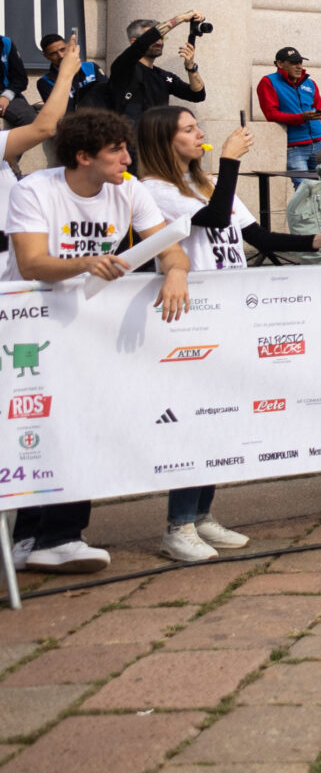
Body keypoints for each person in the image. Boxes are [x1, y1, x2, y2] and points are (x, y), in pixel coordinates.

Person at [133, 108, 321, 558]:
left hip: (233, 310)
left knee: (219, 417)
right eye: (189, 129)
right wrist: (229, 161)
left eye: (198, 127)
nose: (200, 133)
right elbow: (212, 218)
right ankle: (178, 525)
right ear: (164, 139)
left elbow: (258, 237)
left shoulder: (206, 182)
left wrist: (317, 241)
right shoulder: (154, 189)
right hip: (194, 314)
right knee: (195, 417)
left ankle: (201, 514)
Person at [5, 109, 173, 570]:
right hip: (29, 324)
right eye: (116, 151)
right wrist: (85, 263)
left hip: (87, 325)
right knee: (38, 427)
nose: (127, 159)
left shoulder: (130, 189)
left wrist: (176, 272)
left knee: (84, 422)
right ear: (83, 157)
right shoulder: (34, 189)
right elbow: (32, 262)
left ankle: (57, 536)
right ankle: (34, 537)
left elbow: (169, 246)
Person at [1, 33, 79, 200]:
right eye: (54, 53)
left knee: (31, 119)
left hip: (6, 97)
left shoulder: (5, 43)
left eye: (62, 50)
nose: (60, 55)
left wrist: (6, 96)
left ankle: (8, 164)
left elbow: (20, 80)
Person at [105, 13, 207, 123]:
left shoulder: (164, 76)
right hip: (128, 133)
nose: (159, 42)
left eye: (161, 38)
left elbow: (197, 95)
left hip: (156, 133)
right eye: (154, 38)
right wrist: (181, 18)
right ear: (134, 42)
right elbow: (144, 42)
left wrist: (191, 67)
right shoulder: (124, 66)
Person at [256, 47, 321, 180]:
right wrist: (301, 118)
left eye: (300, 62)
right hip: (295, 147)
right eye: (293, 63)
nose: (299, 66)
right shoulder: (268, 82)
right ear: (279, 64)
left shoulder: (310, 83)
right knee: (303, 188)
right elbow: (271, 115)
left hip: (319, 143)